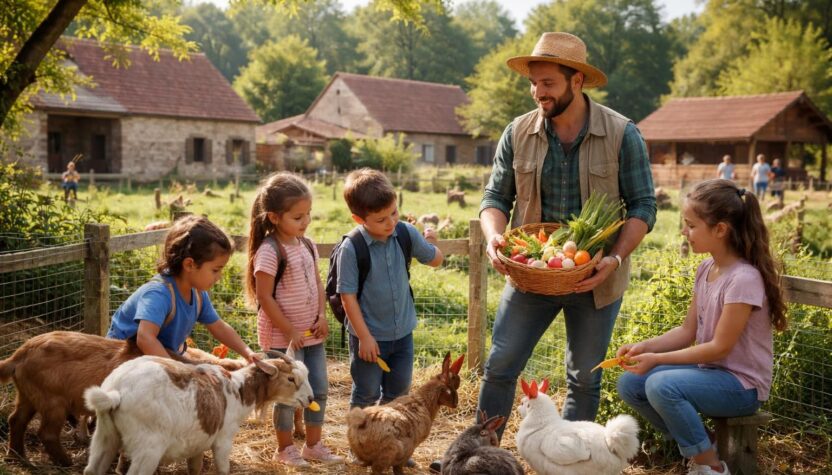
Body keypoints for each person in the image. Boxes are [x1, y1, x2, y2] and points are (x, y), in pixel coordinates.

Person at [477, 32, 657, 436]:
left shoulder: (621, 134)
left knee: (583, 379)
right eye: (533, 82)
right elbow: (494, 197)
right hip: (531, 272)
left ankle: (571, 461)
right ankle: (481, 454)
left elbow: (644, 206)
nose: (537, 92)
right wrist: (493, 236)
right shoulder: (517, 132)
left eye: (548, 83)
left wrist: (613, 259)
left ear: (576, 81)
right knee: (500, 366)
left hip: (595, 277)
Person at [616, 179, 787, 475]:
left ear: (720, 229)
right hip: (711, 374)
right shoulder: (706, 268)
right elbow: (687, 331)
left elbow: (720, 347)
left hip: (742, 386)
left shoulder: (743, 279)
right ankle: (703, 446)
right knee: (630, 384)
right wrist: (647, 347)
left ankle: (710, 467)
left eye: (691, 226)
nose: (685, 232)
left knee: (660, 384)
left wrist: (657, 361)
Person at [245, 172, 342, 467]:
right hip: (282, 340)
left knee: (319, 389)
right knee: (287, 395)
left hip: (312, 335)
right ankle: (285, 449)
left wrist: (322, 316)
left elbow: (316, 283)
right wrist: (289, 330)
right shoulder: (269, 251)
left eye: (308, 214)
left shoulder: (308, 245)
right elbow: (264, 297)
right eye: (298, 217)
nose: (306, 221)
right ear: (274, 217)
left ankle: (314, 445)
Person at [337, 168, 443, 409]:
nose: (391, 222)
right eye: (381, 219)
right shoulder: (352, 248)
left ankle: (386, 443)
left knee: (398, 395)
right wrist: (364, 337)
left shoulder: (405, 232)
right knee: (366, 394)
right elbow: (347, 297)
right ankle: (360, 445)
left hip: (403, 335)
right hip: (369, 337)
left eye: (394, 213)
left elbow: (435, 260)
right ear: (359, 219)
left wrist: (431, 242)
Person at [107, 215, 257, 363]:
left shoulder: (197, 294)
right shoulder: (159, 294)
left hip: (154, 360)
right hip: (119, 362)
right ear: (189, 265)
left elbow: (218, 327)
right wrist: (178, 372)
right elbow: (145, 339)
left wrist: (248, 353)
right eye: (215, 270)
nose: (219, 277)